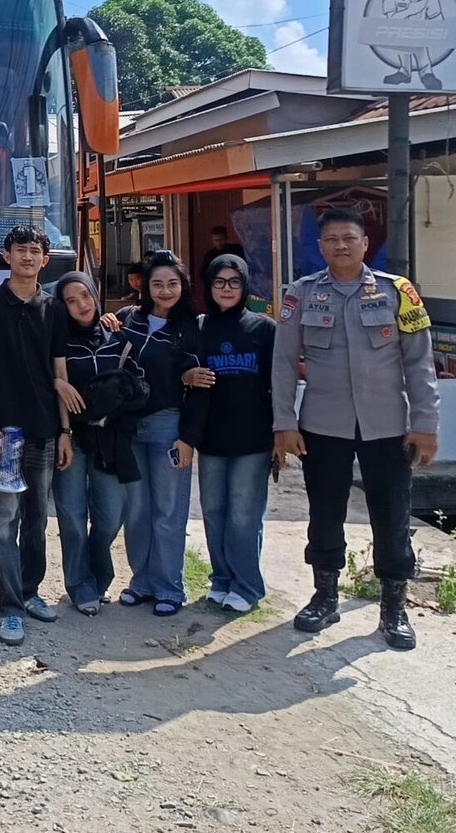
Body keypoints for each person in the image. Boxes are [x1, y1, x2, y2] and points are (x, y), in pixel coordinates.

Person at [272, 207, 440, 651]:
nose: (341, 246)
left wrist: (425, 424)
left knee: (392, 514)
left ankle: (393, 608)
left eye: (349, 238)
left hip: (387, 425)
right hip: (322, 425)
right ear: (320, 246)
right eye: (331, 239)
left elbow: (420, 363)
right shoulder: (300, 295)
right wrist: (284, 423)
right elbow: (283, 364)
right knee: (325, 512)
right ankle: (325, 596)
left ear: (365, 243)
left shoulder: (398, 292)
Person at [0, 225, 80, 646]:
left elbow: (59, 373)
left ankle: (31, 592)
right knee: (3, 522)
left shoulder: (53, 308)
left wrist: (65, 430)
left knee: (36, 519)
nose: (28, 257)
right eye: (20, 250)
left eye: (35, 251)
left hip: (43, 430)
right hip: (5, 434)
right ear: (7, 256)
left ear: (45, 260)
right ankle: (11, 608)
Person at [180, 254, 276, 613]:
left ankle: (247, 586)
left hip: (253, 439)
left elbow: (279, 384)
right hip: (211, 438)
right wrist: (186, 376)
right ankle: (221, 579)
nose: (226, 288)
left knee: (244, 515)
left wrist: (282, 434)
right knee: (213, 511)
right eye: (219, 282)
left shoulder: (263, 328)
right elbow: (179, 368)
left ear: (245, 285)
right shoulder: (199, 327)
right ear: (209, 286)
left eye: (234, 282)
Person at [114, 252, 198, 617]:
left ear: (183, 286)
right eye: (158, 284)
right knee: (136, 510)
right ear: (145, 287)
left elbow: (200, 388)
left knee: (168, 510)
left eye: (172, 284)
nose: (165, 291)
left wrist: (188, 437)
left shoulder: (190, 328)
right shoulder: (127, 319)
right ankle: (141, 582)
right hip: (129, 427)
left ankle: (169, 588)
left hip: (168, 425)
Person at [52, 272, 139, 615]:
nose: (81, 305)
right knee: (72, 518)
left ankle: (99, 578)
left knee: (110, 518)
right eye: (71, 301)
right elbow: (42, 379)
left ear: (95, 294)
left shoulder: (116, 337)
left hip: (110, 439)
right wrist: (57, 386)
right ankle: (80, 585)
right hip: (71, 439)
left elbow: (136, 379)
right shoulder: (58, 343)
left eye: (85, 296)